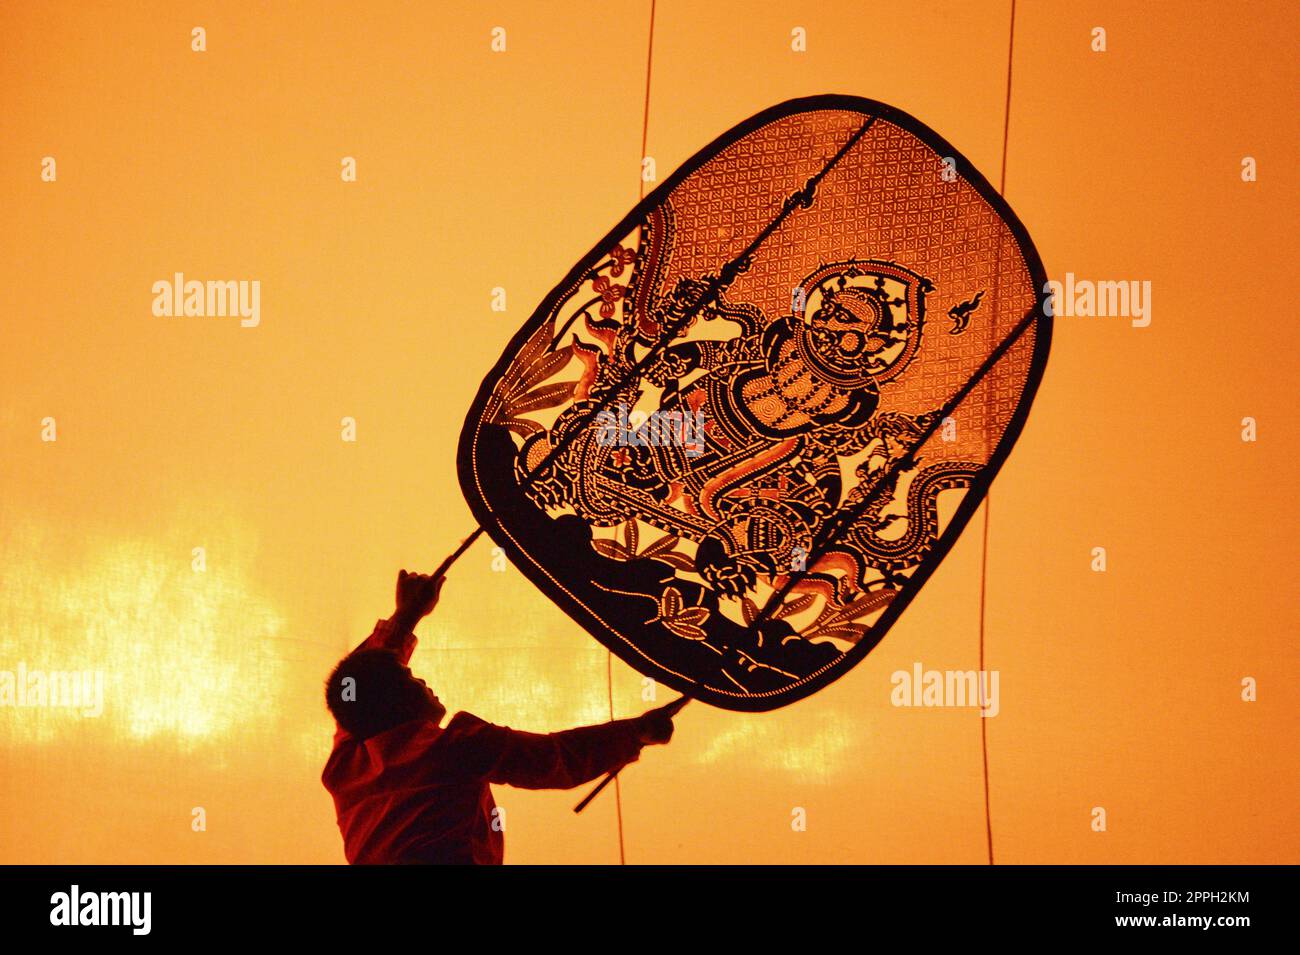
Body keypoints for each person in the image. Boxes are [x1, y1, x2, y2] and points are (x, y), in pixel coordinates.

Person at [322, 568, 686, 864]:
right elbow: (554, 758)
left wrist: (406, 616)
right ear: (397, 704)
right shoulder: (457, 747)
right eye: (410, 678)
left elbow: (356, 689)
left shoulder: (346, 766)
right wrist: (635, 734)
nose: (422, 679)